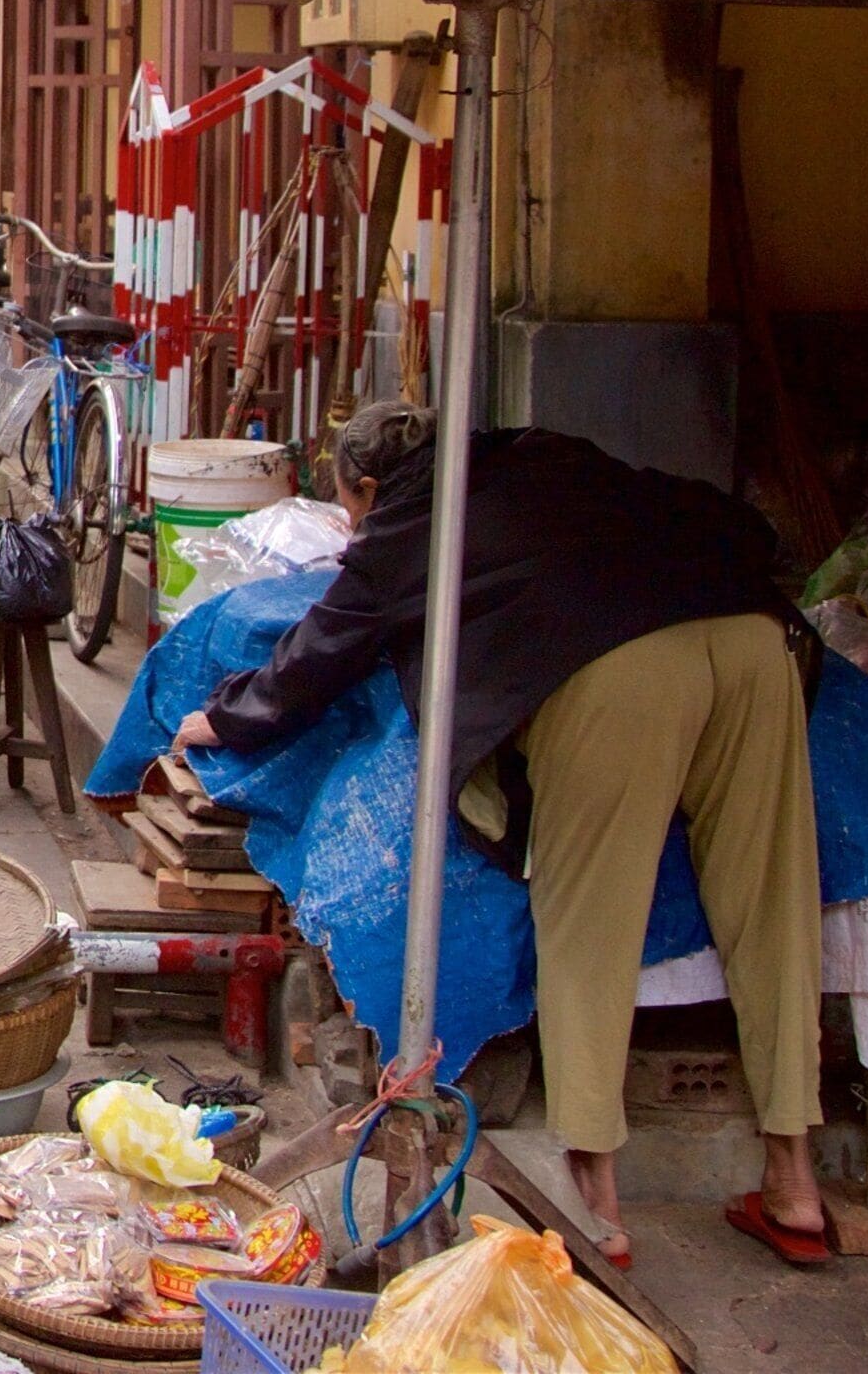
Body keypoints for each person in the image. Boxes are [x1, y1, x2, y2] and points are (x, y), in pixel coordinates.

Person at [176, 402, 826, 1270]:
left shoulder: (411, 517)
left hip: (620, 671)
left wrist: (220, 719)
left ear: (367, 488)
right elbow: (736, 523)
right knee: (776, 901)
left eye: (350, 510)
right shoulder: (548, 447)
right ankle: (794, 1182)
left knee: (591, 917)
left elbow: (319, 654)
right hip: (752, 639)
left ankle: (597, 1207)